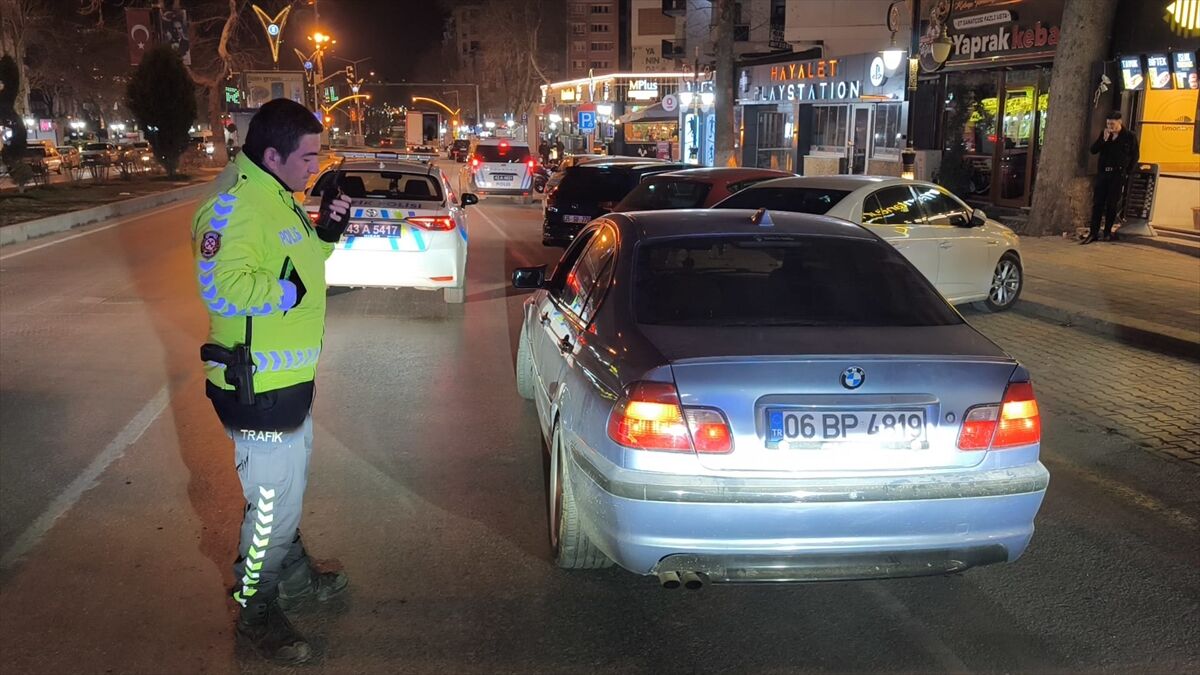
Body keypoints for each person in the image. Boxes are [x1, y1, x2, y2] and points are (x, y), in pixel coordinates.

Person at [191, 98, 352, 665]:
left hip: (285, 384)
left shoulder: (276, 195)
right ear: (272, 154)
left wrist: (327, 232)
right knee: (271, 504)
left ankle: (295, 576)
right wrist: (284, 294)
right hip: (253, 388)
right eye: (309, 156)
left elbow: (300, 262)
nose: (316, 166)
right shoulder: (235, 207)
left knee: (280, 493)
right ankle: (254, 610)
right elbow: (221, 286)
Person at [1083, 111, 1139, 244]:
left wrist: (1127, 172)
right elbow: (1093, 150)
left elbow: (1135, 156)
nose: (1110, 126)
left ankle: (1107, 231)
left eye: (1112, 123)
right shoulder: (1105, 134)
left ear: (1120, 122)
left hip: (1117, 174)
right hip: (1103, 174)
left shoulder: (1129, 136)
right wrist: (1103, 139)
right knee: (1098, 203)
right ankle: (1093, 232)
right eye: (1108, 123)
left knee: (1112, 204)